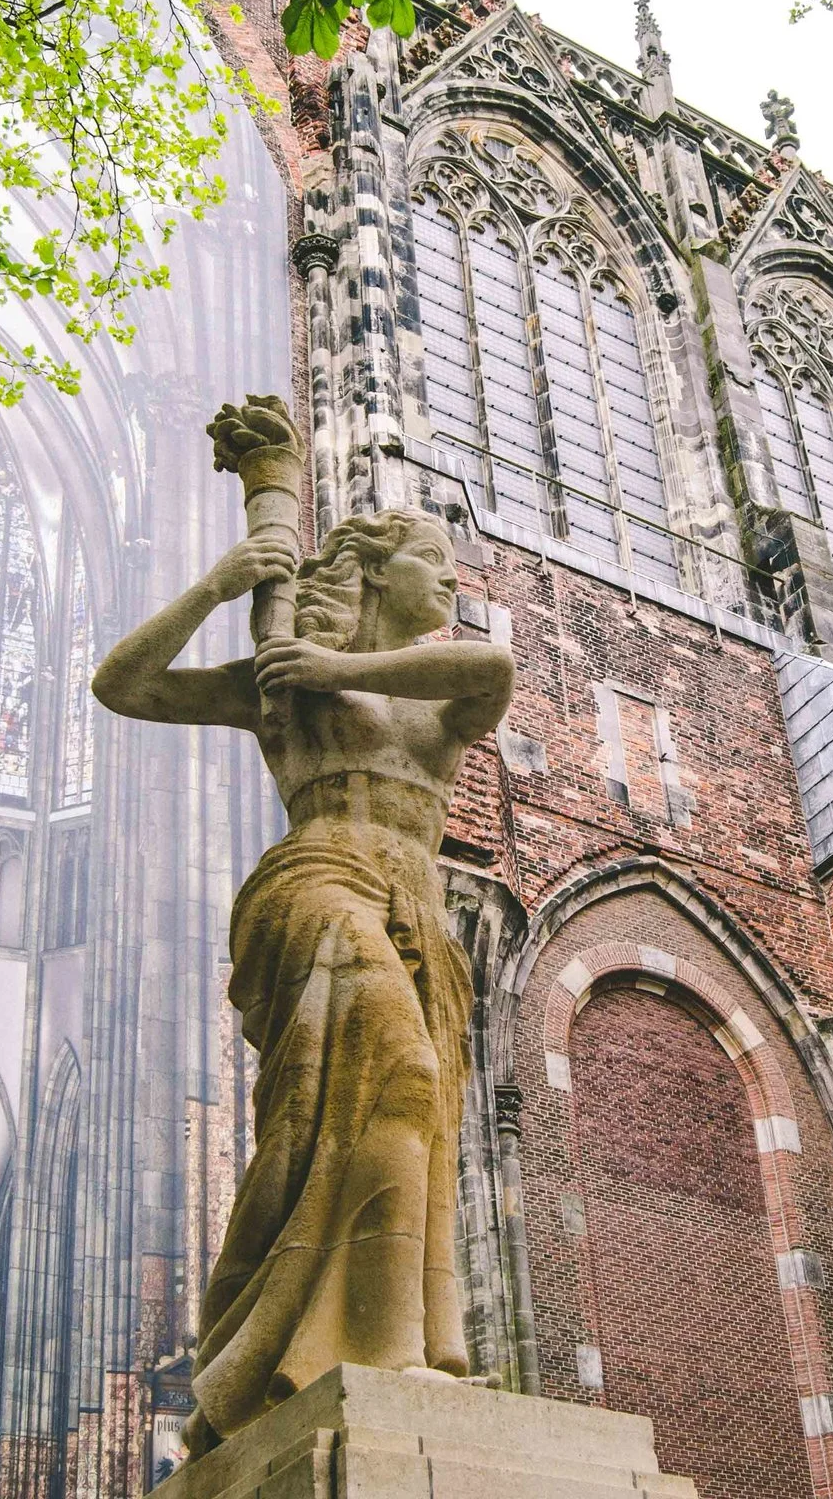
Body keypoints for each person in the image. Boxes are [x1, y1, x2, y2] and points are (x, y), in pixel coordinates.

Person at [91, 504, 513, 1455]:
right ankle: (362, 1351)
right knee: (396, 1072)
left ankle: (329, 1347)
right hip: (322, 876)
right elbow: (124, 685)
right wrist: (221, 584)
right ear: (374, 570)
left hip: (420, 903)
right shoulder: (280, 688)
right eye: (433, 563)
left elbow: (494, 670)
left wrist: (332, 668)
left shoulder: (426, 691)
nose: (452, 586)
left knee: (392, 1125)